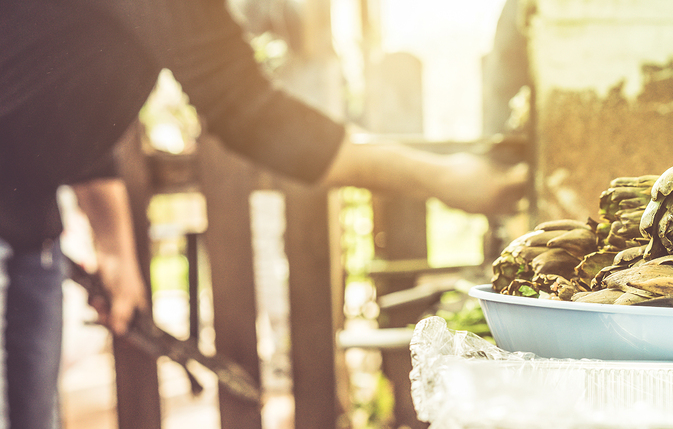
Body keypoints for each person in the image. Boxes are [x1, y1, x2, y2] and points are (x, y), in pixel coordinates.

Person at [0, 1, 528, 428]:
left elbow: (66, 99)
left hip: (29, 238)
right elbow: (248, 112)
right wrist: (448, 180)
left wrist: (116, 251)